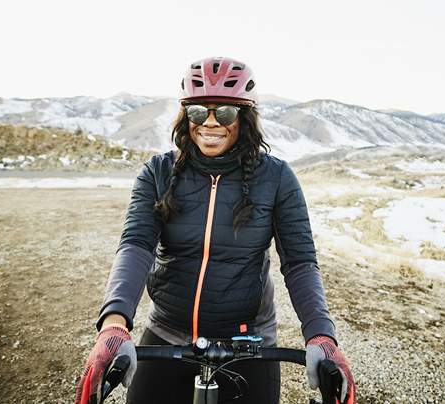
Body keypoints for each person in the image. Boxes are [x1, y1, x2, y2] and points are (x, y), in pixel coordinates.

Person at [75, 57, 356, 404]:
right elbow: (135, 246)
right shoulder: (158, 172)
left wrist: (321, 335)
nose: (209, 123)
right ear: (184, 116)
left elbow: (300, 262)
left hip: (249, 343)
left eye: (224, 113)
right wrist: (114, 323)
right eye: (197, 112)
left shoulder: (277, 178)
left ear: (245, 117)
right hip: (167, 331)